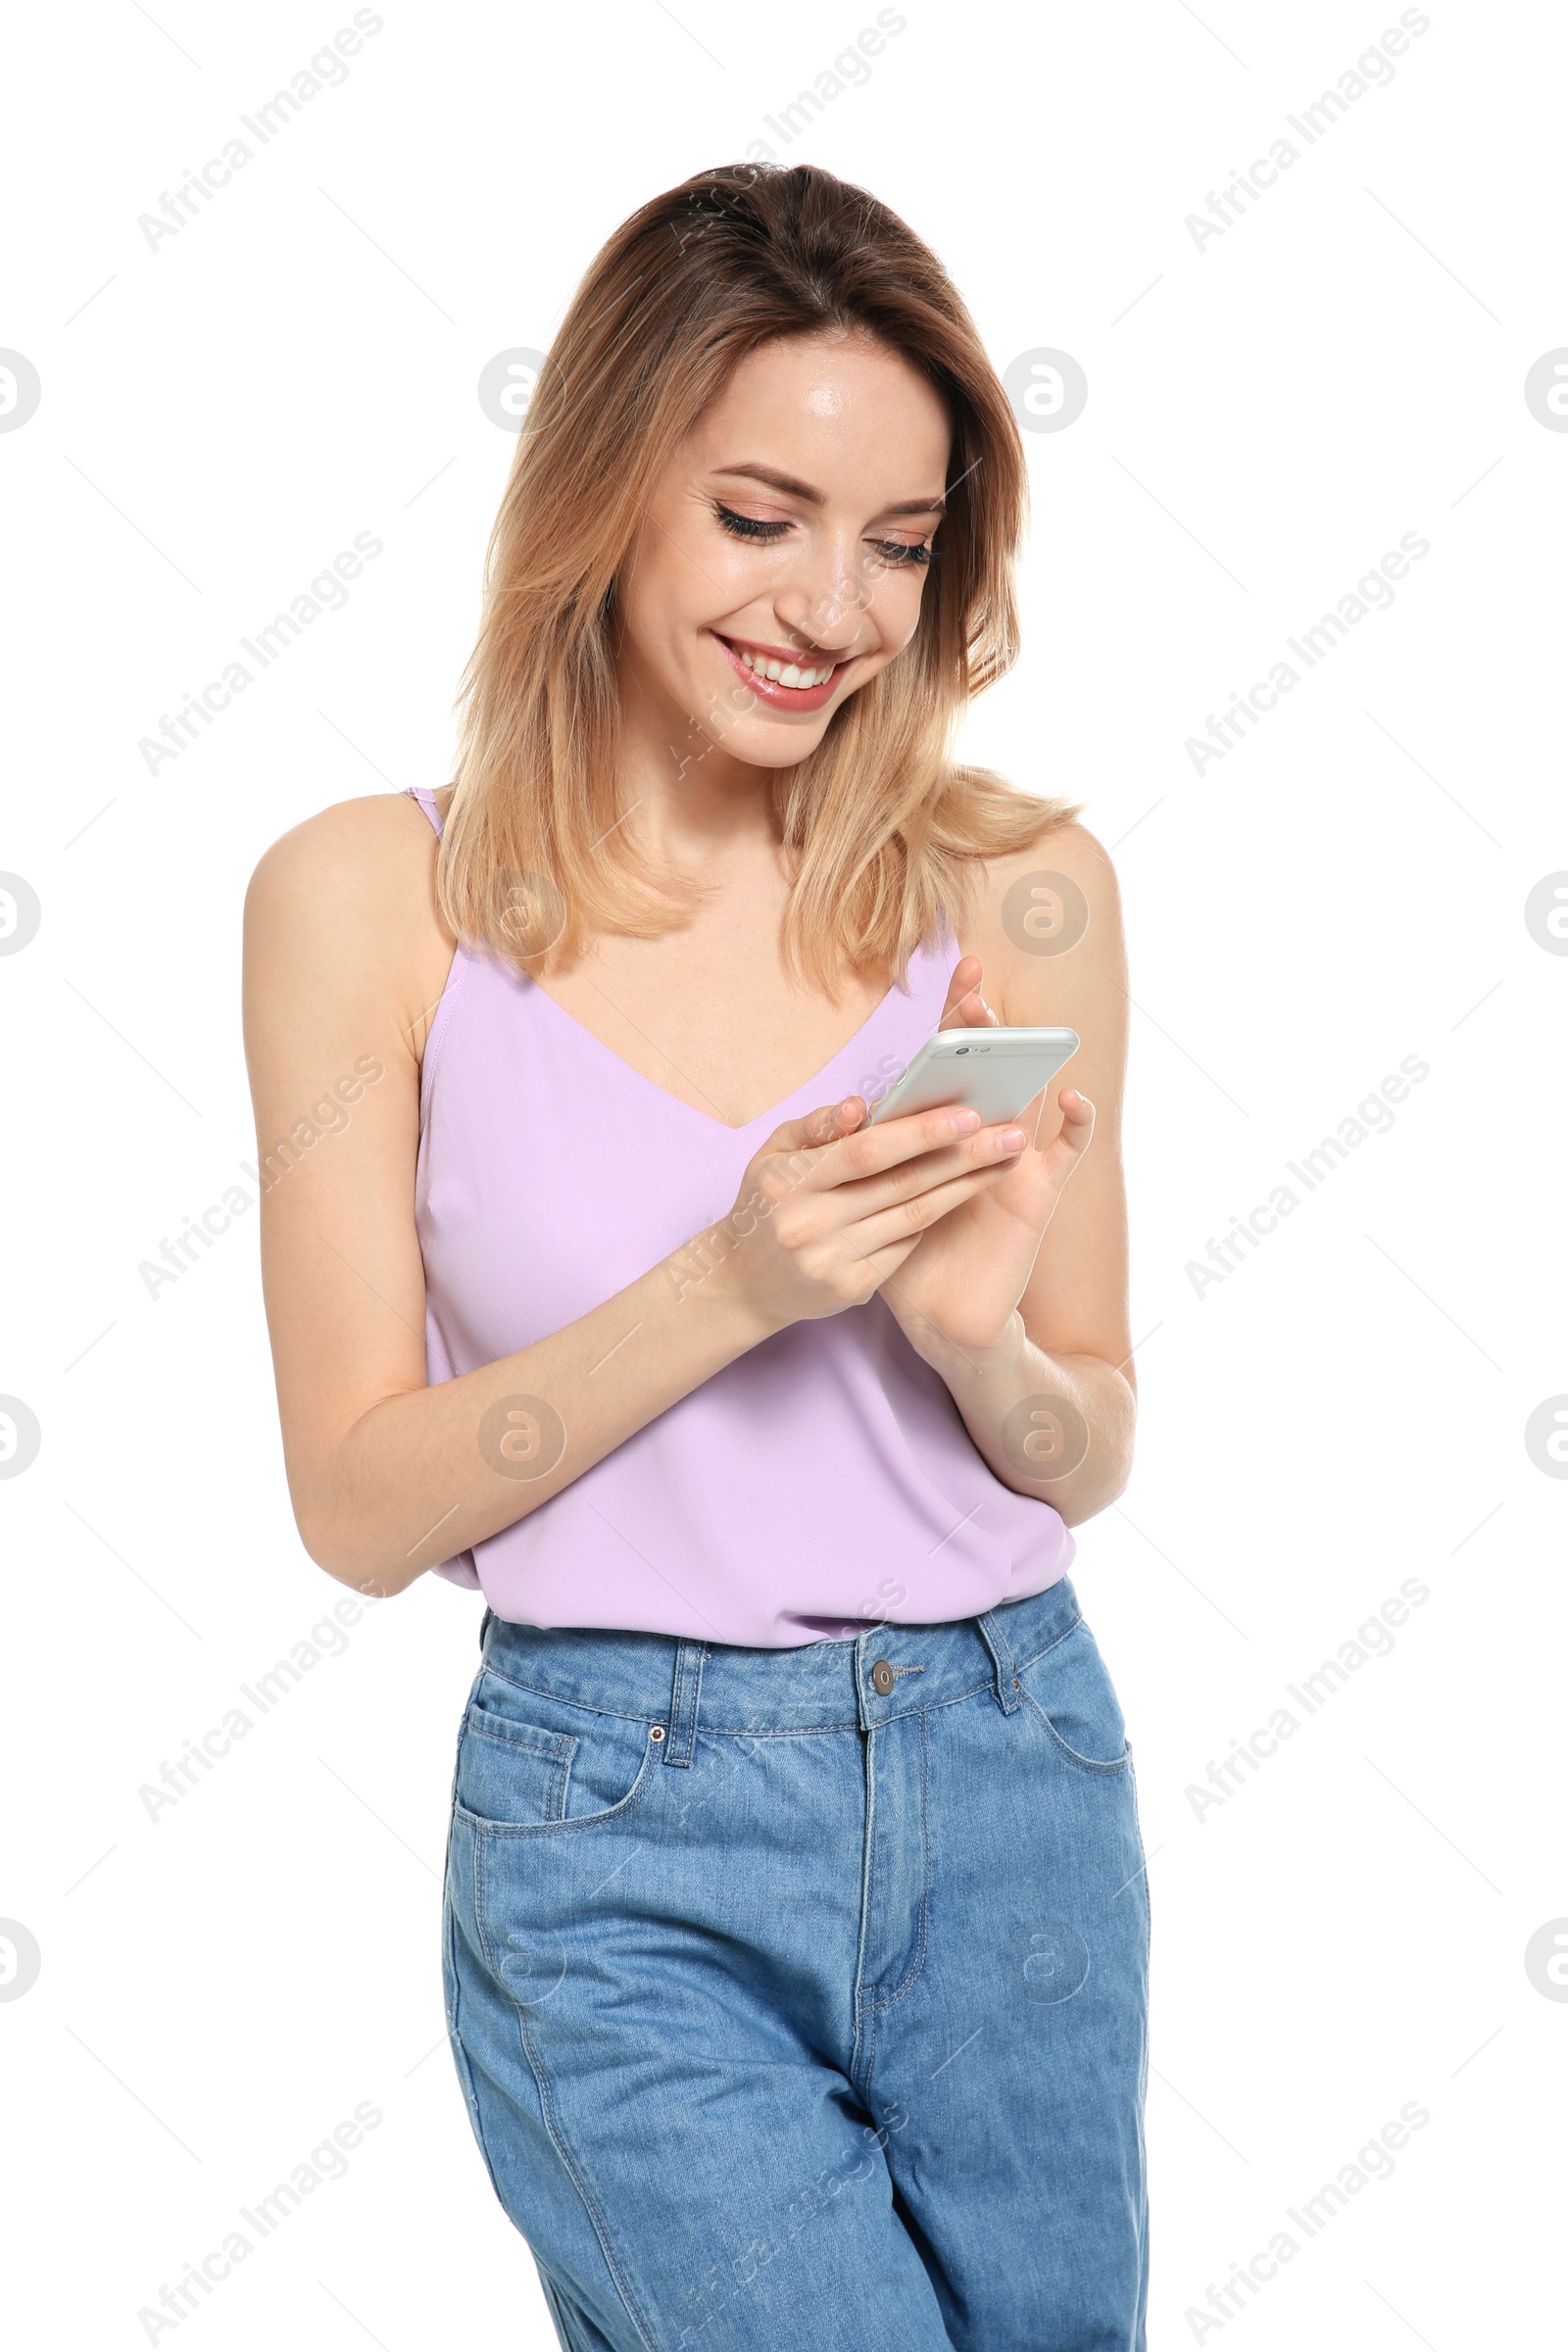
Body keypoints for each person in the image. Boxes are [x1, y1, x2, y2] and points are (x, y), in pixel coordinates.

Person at [244, 162, 1147, 2352]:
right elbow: (356, 1505)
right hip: (613, 1831)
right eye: (759, 517)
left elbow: (1086, 1437)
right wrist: (730, 1286)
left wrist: (965, 1353)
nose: (830, 608)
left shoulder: (1015, 886)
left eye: (899, 546)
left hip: (1007, 1771)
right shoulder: (374, 902)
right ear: (608, 488)